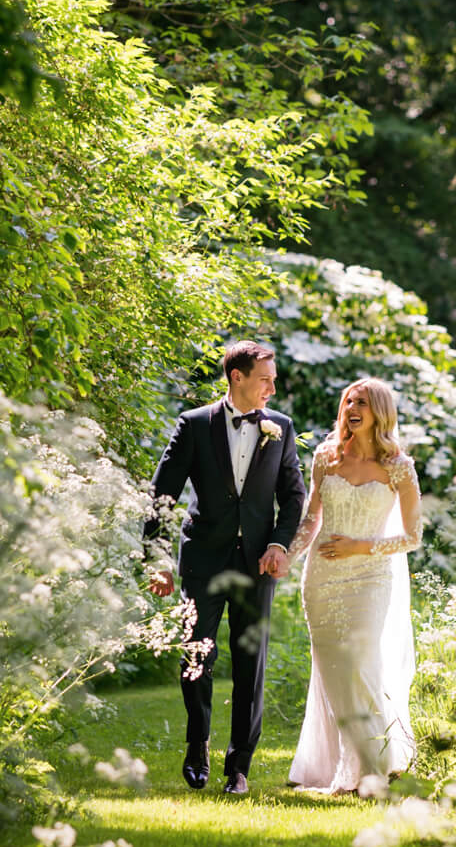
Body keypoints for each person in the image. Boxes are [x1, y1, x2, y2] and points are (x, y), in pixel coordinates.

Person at [145, 340, 307, 795]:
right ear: (237, 377)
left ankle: (240, 766)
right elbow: (161, 496)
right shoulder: (194, 425)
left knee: (251, 663)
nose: (271, 390)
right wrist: (157, 560)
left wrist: (279, 543)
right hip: (203, 560)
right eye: (265, 380)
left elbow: (294, 495)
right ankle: (198, 743)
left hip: (258, 563)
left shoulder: (281, 428)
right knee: (197, 654)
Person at [286, 376, 421, 793]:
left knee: (360, 665)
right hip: (322, 577)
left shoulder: (398, 465)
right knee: (334, 673)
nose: (352, 408)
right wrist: (285, 556)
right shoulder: (327, 457)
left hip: (370, 576)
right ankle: (347, 765)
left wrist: (360, 547)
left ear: (379, 411)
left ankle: (373, 767)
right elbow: (312, 519)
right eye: (348, 401)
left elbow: (412, 537)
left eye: (361, 401)